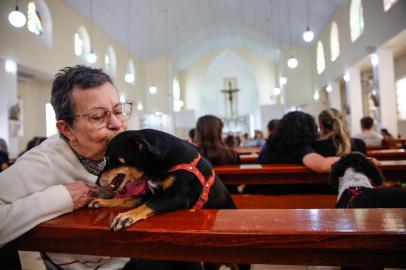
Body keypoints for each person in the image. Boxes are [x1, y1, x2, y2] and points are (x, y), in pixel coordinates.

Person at [0, 65, 133, 269]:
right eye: (98, 116)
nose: (117, 124)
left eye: (118, 111)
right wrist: (61, 198)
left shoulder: (124, 149)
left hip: (134, 255)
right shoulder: (44, 162)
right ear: (66, 129)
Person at [257, 111, 338, 173]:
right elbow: (322, 165)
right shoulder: (301, 149)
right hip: (288, 192)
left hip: (257, 191)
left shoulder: (269, 146)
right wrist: (347, 159)